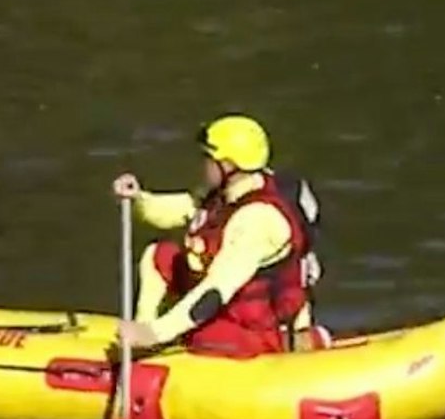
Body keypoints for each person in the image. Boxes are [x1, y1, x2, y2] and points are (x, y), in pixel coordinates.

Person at [112, 114, 329, 357]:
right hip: (228, 306)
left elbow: (216, 289)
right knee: (161, 255)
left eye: (207, 157)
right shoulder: (223, 192)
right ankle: (141, 339)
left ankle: (300, 341)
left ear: (227, 165)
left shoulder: (258, 219)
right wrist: (138, 198)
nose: (202, 163)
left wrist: (157, 333)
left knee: (206, 339)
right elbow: (181, 209)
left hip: (258, 323)